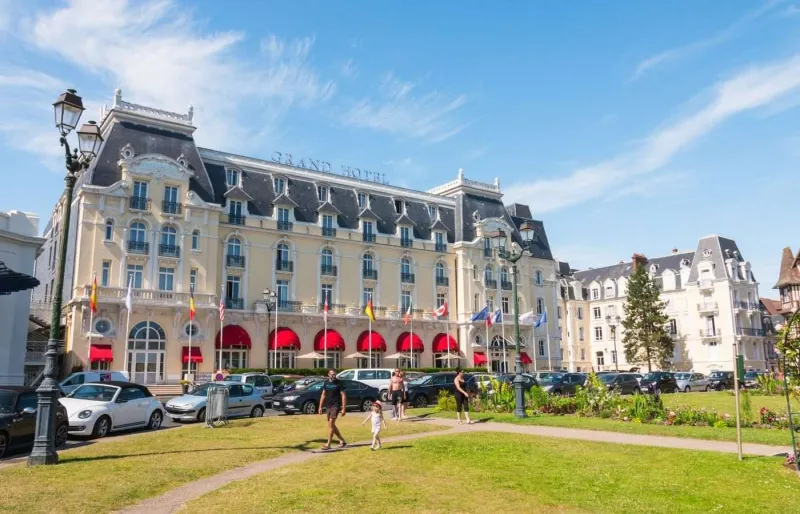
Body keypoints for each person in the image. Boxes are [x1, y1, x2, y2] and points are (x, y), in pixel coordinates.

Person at [318, 368, 347, 450]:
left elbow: (343, 396)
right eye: (332, 374)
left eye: (335, 374)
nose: (333, 376)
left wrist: (343, 408)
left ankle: (328, 444)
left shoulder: (339, 383)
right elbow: (323, 394)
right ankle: (342, 440)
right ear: (328, 374)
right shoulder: (326, 382)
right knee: (332, 425)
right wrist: (320, 407)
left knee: (331, 424)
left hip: (336, 405)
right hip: (328, 406)